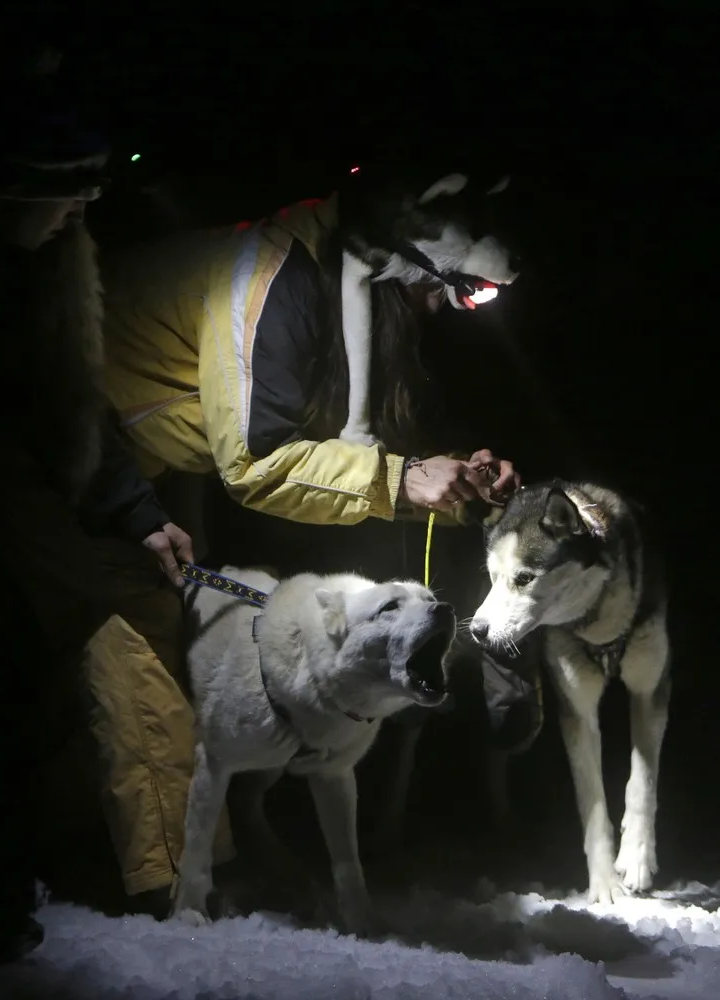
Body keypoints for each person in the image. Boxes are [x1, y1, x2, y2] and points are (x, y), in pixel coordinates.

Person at [87, 182, 523, 913]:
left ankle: (221, 849)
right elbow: (257, 462)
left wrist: (452, 483)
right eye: (447, 293)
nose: (444, 311)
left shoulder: (346, 291)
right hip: (73, 438)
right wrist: (404, 479)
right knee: (139, 635)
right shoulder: (271, 284)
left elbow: (353, 440)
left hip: (159, 456)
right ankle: (174, 891)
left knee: (181, 620)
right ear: (403, 256)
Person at [0, 52, 221, 966]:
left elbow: (73, 411)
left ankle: (22, 882)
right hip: (11, 533)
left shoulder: (47, 274)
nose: (78, 217)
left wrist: (139, 513)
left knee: (34, 697)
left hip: (37, 525)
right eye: (64, 199)